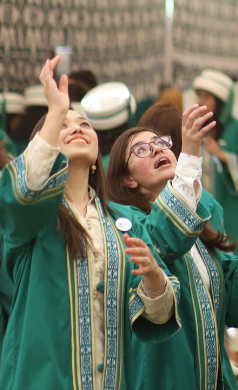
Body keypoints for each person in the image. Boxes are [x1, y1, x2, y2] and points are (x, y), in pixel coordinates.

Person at [0, 56, 179, 390]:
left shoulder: (126, 223)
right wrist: (55, 111)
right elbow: (16, 198)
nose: (77, 128)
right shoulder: (33, 220)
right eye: (63, 127)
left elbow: (157, 316)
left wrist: (154, 279)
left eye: (84, 124)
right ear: (46, 146)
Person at [107, 103, 238, 390]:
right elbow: (161, 241)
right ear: (128, 179)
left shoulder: (198, 220)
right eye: (141, 150)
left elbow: (235, 301)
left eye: (161, 144)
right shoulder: (124, 220)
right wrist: (189, 155)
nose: (158, 150)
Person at [192, 70, 238, 250]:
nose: (200, 101)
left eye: (207, 96)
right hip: (207, 213)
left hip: (237, 211)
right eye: (199, 96)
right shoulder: (199, 131)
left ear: (221, 102)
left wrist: (221, 154)